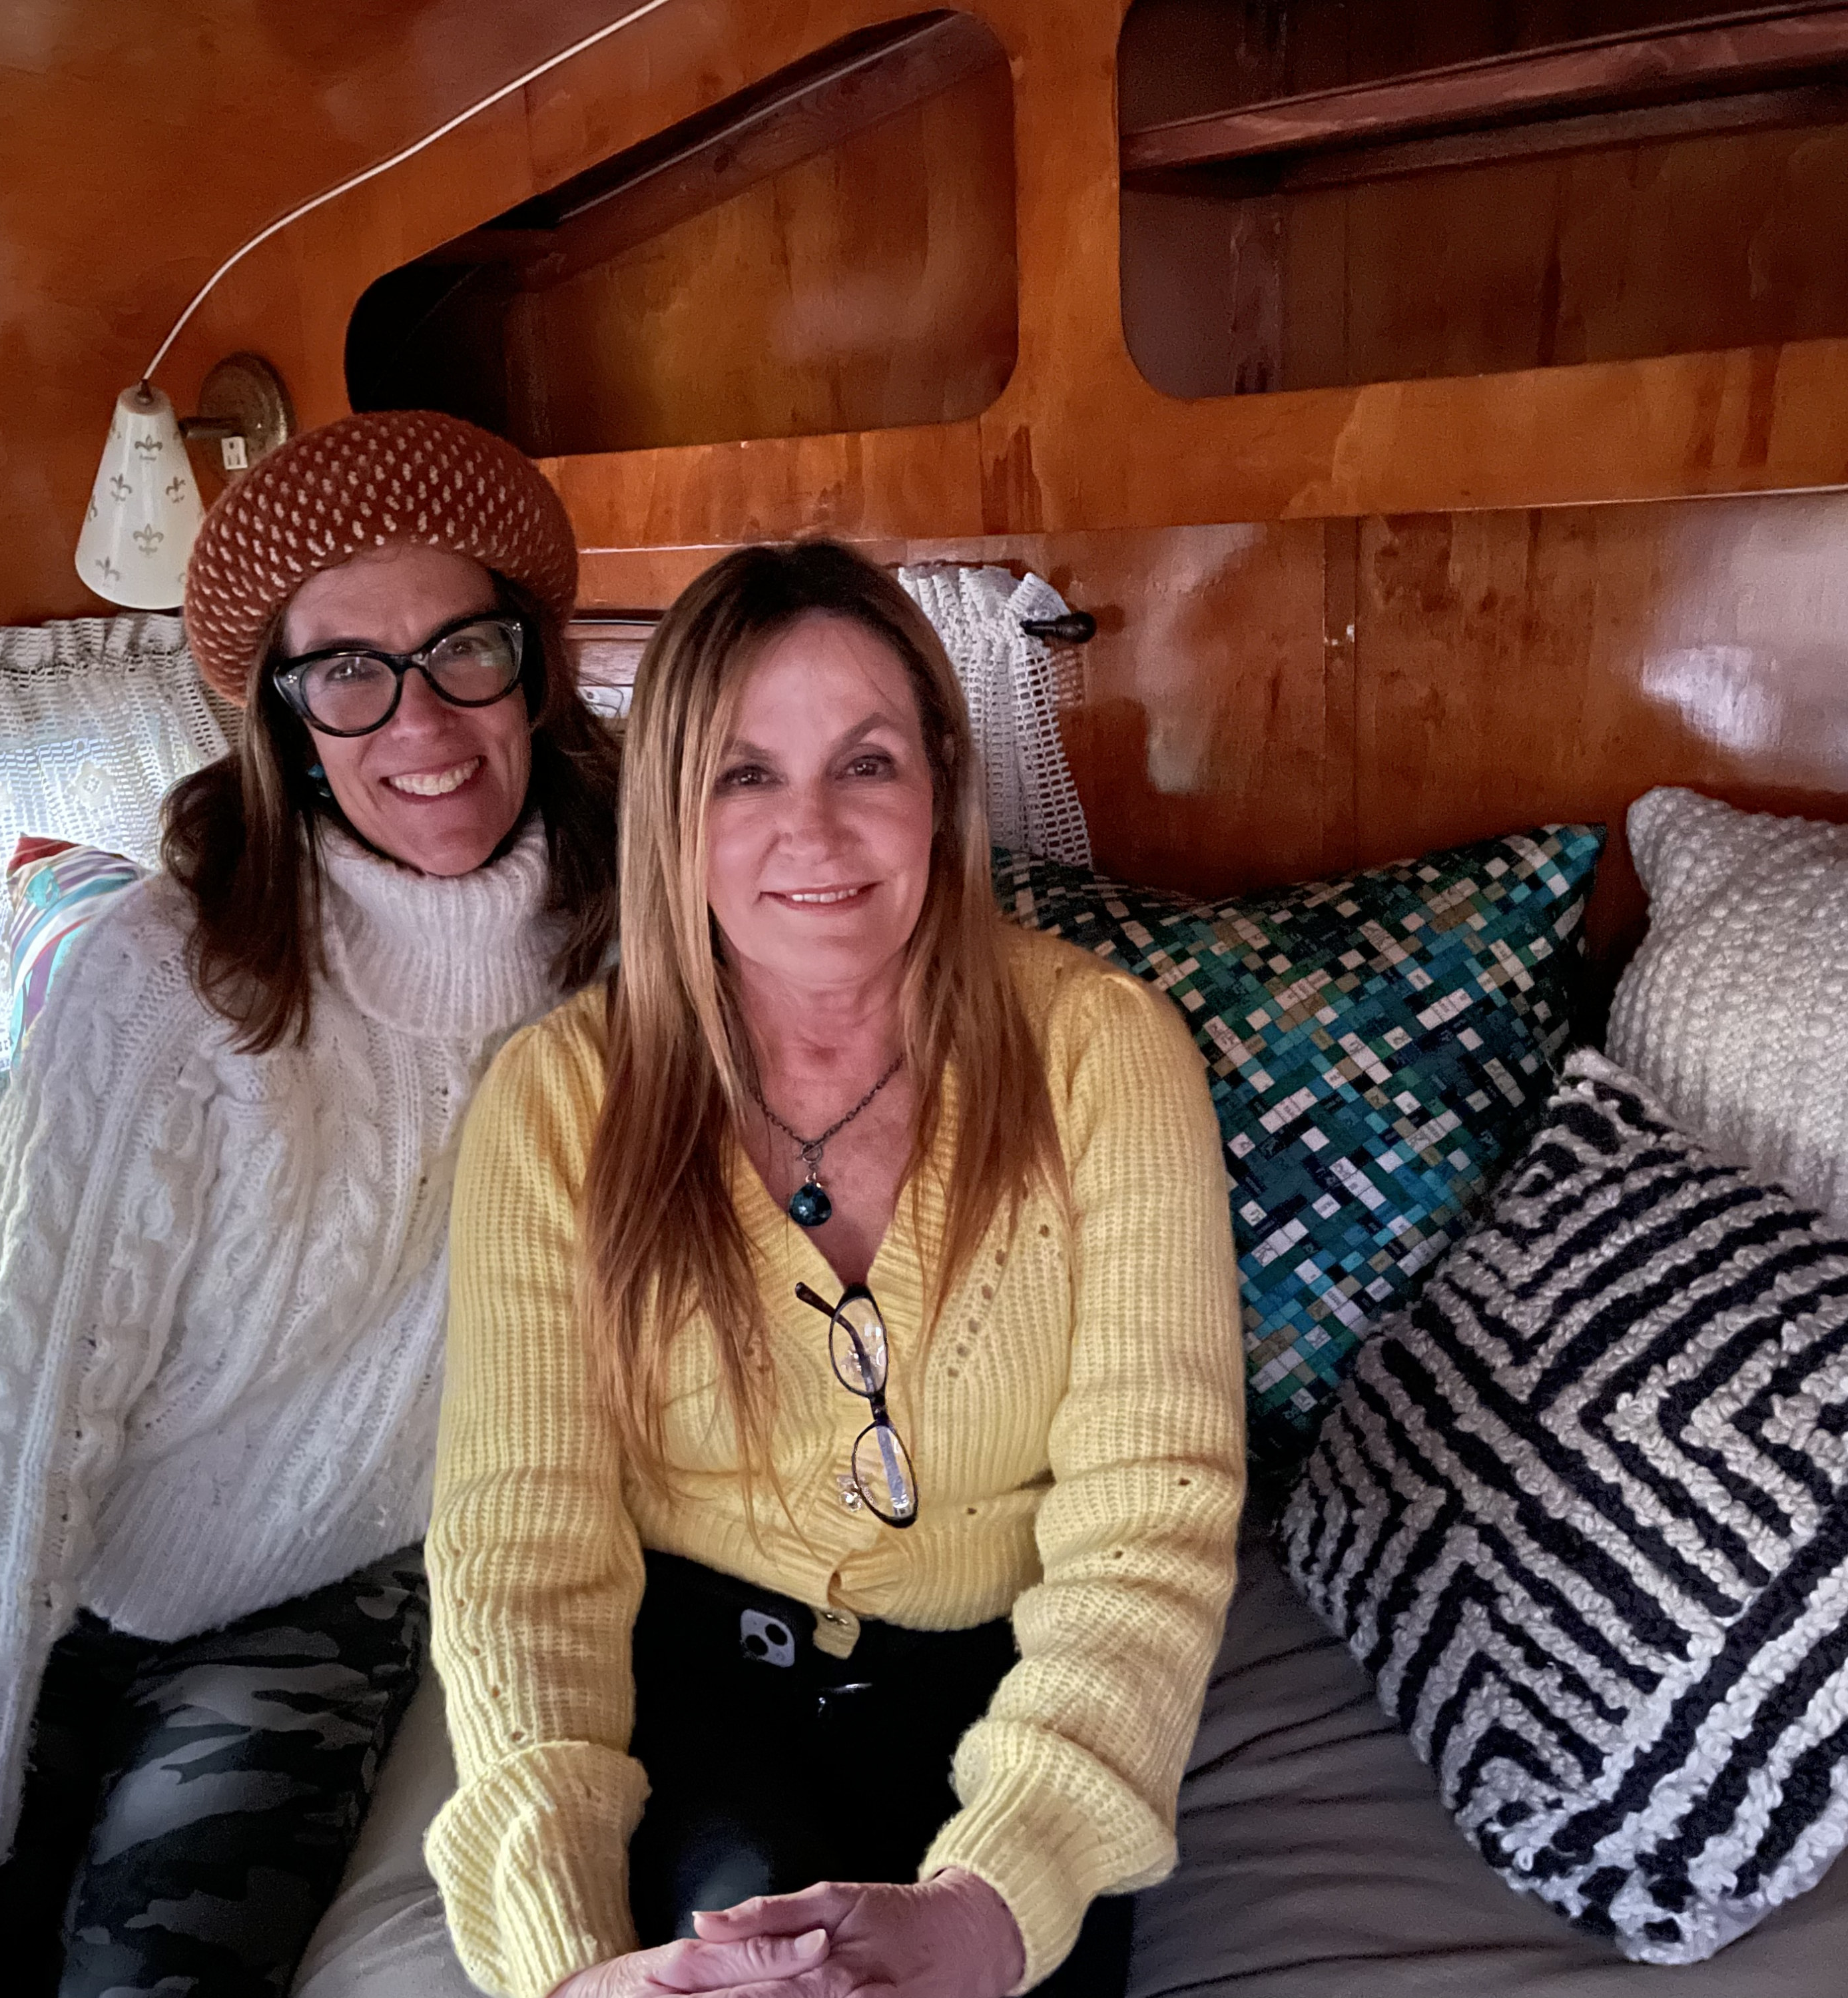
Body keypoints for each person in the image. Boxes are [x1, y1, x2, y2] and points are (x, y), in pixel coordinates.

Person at [0, 409, 620, 1998]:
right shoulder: (160, 978)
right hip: (5, 1550)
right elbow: (13, 1404)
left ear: (537, 664)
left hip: (313, 1594)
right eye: (347, 673)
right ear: (285, 718)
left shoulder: (640, 944)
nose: (417, 719)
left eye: (466, 651)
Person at [424, 540, 1245, 1998]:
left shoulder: (1105, 1056)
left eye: (863, 764)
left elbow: (1147, 1521)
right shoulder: (555, 1105)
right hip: (688, 1696)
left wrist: (1002, 1894)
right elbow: (520, 1562)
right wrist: (560, 1965)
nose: (811, 831)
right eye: (743, 774)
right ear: (671, 812)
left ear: (939, 784)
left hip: (1007, 1694)